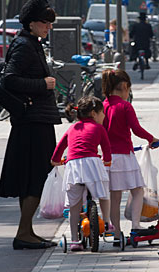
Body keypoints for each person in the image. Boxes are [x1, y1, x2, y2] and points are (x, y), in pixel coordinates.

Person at [0, 0, 61, 250]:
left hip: (36, 119)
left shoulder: (30, 43)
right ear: (32, 23)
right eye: (45, 22)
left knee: (32, 177)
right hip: (32, 121)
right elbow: (9, 79)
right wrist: (42, 84)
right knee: (36, 176)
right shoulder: (24, 45)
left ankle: (27, 230)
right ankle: (24, 232)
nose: (49, 27)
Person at [102, 69, 159, 239]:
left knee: (115, 196)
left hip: (108, 158)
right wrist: (152, 139)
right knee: (137, 191)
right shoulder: (125, 106)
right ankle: (135, 225)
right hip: (125, 156)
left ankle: (116, 233)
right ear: (125, 87)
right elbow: (136, 129)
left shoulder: (103, 106)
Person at [51, 96, 113, 251]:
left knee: (74, 206)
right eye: (102, 113)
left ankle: (74, 240)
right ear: (93, 113)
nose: (104, 116)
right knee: (103, 193)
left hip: (73, 167)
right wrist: (107, 161)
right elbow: (107, 149)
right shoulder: (99, 128)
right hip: (92, 165)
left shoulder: (72, 128)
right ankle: (107, 222)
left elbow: (59, 148)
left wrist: (56, 161)